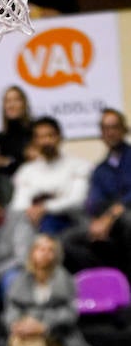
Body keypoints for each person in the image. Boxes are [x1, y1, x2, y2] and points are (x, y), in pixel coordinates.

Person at [3, 234, 97, 346]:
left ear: (56, 255)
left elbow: (70, 313)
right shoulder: (20, 280)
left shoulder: (64, 278)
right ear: (32, 253)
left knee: (31, 337)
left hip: (59, 339)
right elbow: (11, 310)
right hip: (25, 336)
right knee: (18, 338)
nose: (45, 253)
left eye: (50, 250)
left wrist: (43, 325)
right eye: (41, 249)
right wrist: (17, 325)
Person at [63, 107, 131, 277]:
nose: (110, 132)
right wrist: (97, 221)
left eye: (114, 127)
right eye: (105, 128)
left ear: (124, 129)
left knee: (128, 222)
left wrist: (114, 213)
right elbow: (96, 201)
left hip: (125, 217)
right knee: (67, 240)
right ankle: (108, 277)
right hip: (108, 219)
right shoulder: (100, 169)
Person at [10, 116, 89, 236]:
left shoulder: (79, 166)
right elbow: (18, 204)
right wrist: (31, 212)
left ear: (59, 137)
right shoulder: (26, 171)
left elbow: (77, 201)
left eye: (50, 135)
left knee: (49, 222)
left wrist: (44, 208)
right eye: (40, 137)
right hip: (32, 223)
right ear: (34, 141)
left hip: (70, 222)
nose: (45, 141)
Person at [0, 85, 33, 176]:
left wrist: (10, 162)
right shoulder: (0, 138)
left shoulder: (35, 132)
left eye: (16, 100)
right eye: (8, 101)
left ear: (24, 103)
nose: (12, 105)